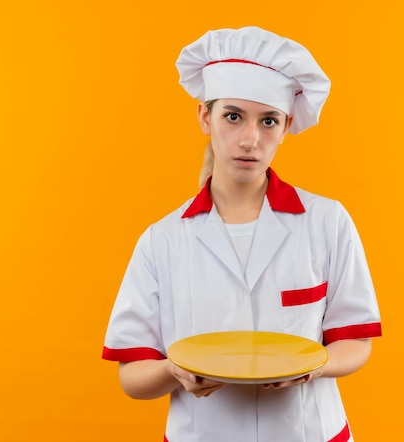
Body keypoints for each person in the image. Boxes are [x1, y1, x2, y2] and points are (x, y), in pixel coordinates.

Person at [102, 26, 382, 442]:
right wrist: (173, 371)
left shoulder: (328, 222)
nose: (250, 139)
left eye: (268, 121)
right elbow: (133, 374)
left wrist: (313, 367)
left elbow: (355, 340)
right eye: (233, 116)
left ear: (286, 125)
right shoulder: (161, 241)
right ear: (204, 117)